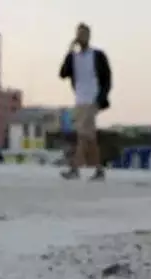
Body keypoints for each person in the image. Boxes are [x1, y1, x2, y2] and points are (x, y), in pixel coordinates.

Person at [58, 23, 112, 181]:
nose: (81, 37)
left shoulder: (97, 55)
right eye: (79, 34)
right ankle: (99, 171)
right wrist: (69, 51)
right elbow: (62, 74)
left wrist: (101, 98)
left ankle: (74, 169)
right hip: (79, 100)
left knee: (82, 135)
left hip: (92, 100)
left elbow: (107, 78)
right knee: (89, 137)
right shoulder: (73, 57)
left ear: (89, 36)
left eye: (84, 34)